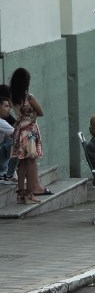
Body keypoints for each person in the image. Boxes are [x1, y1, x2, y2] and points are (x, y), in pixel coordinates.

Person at [9, 68, 49, 199]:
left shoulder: (12, 98)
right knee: (31, 161)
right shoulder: (29, 98)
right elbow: (41, 112)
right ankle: (31, 192)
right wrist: (32, 115)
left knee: (21, 161)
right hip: (30, 131)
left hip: (19, 130)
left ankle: (21, 191)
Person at [0, 94, 13, 185]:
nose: (9, 109)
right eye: (6, 106)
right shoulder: (1, 122)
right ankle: (9, 174)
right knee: (16, 143)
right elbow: (18, 135)